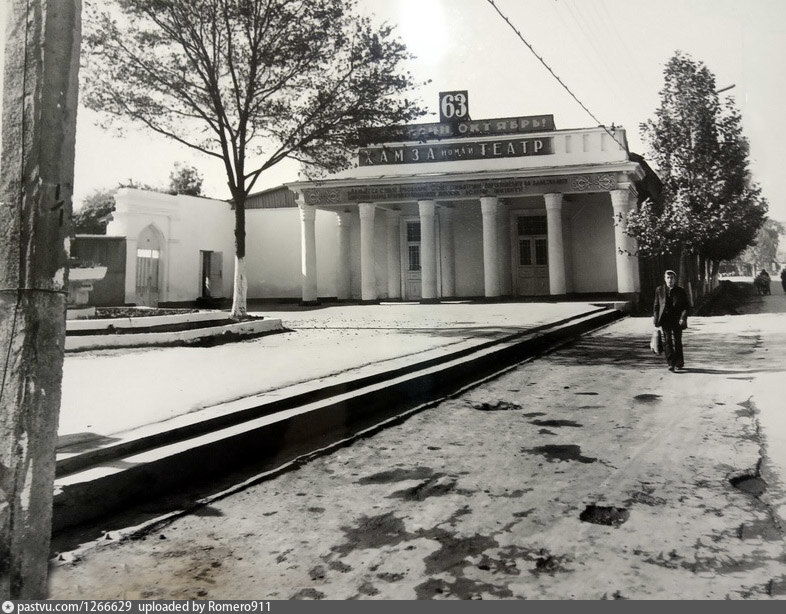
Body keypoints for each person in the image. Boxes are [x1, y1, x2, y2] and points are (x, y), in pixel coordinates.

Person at [653, 270, 689, 372]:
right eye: (668, 278)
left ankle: (679, 362)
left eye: (672, 278)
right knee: (667, 340)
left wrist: (683, 318)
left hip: (677, 319)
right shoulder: (659, 290)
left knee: (677, 340)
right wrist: (655, 320)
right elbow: (656, 306)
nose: (670, 280)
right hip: (665, 319)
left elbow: (686, 306)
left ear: (675, 279)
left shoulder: (680, 291)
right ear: (665, 279)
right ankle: (671, 363)